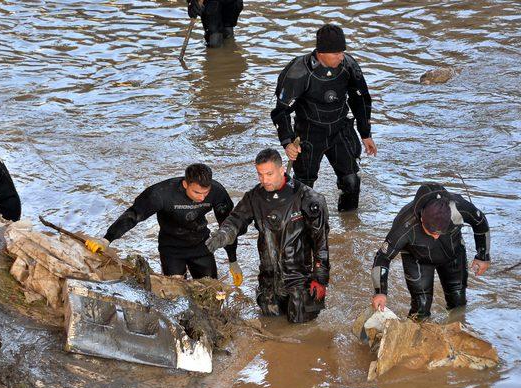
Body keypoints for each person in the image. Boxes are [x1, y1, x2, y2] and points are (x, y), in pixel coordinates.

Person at [205, 148, 330, 323]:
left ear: (282, 170)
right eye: (260, 175)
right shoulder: (254, 197)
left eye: (269, 174)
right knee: (270, 326)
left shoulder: (309, 198)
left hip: (300, 278)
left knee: (302, 331)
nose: (264, 180)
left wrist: (320, 278)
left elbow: (321, 241)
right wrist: (221, 236)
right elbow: (235, 221)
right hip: (269, 278)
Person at [270, 23, 377, 212]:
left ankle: (349, 227)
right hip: (310, 133)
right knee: (305, 188)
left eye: (342, 52)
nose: (341, 57)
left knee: (351, 181)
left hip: (340, 129)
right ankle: (303, 229)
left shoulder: (348, 66)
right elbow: (281, 111)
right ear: (321, 52)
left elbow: (360, 98)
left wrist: (365, 133)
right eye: (336, 53)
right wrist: (287, 142)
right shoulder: (299, 72)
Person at [91, 164, 242, 285]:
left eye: (205, 193)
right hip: (172, 249)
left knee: (211, 290)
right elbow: (133, 216)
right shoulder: (161, 194)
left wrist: (233, 261)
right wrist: (106, 239)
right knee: (175, 292)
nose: (202, 198)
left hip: (202, 247)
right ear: (185, 184)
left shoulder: (217, 192)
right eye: (197, 192)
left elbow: (228, 226)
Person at [371, 183, 491, 320]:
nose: (436, 236)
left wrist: (483, 255)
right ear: (422, 218)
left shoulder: (458, 207)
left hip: (452, 254)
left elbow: (479, 221)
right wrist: (380, 292)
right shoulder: (404, 225)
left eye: (440, 232)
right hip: (417, 259)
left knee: (458, 302)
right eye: (432, 232)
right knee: (421, 307)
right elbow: (383, 257)